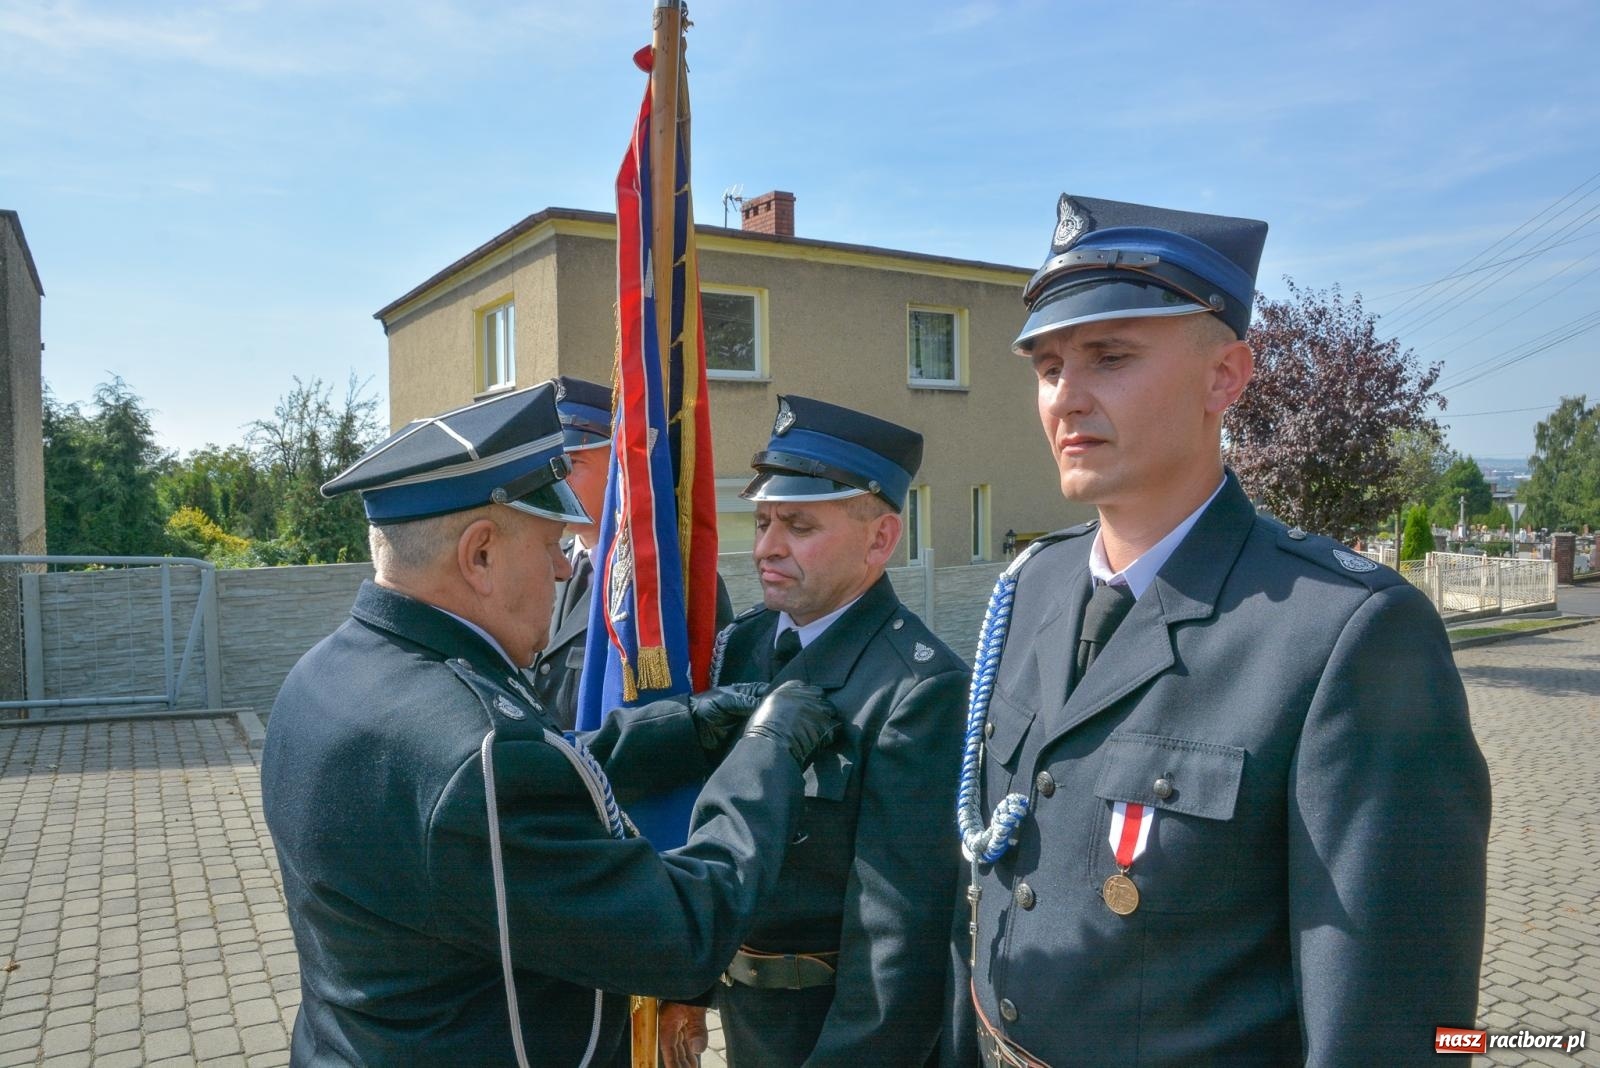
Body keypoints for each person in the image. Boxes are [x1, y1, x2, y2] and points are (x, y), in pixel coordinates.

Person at [949, 195, 1490, 1066]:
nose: (1066, 399)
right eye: (1047, 368)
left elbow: (1393, 1026)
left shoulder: (1345, 634)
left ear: (1226, 377)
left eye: (1109, 357)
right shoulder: (1031, 586)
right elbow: (987, 889)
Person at [260, 382, 841, 1067]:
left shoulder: (325, 677)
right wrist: (767, 752)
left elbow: (543, 778)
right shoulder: (472, 750)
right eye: (550, 546)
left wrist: (690, 724)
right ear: (479, 555)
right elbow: (681, 937)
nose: (567, 568)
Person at [659, 396, 969, 1068]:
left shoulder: (919, 689)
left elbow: (898, 947)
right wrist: (689, 982)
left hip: (831, 1031)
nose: (767, 546)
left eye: (798, 525)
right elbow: (714, 833)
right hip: (743, 1020)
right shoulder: (742, 646)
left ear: (880, 540)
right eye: (765, 519)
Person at [529, 375, 732, 730]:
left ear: (619, 468)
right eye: (551, 466)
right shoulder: (537, 562)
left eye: (571, 465)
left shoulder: (673, 577)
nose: (554, 481)